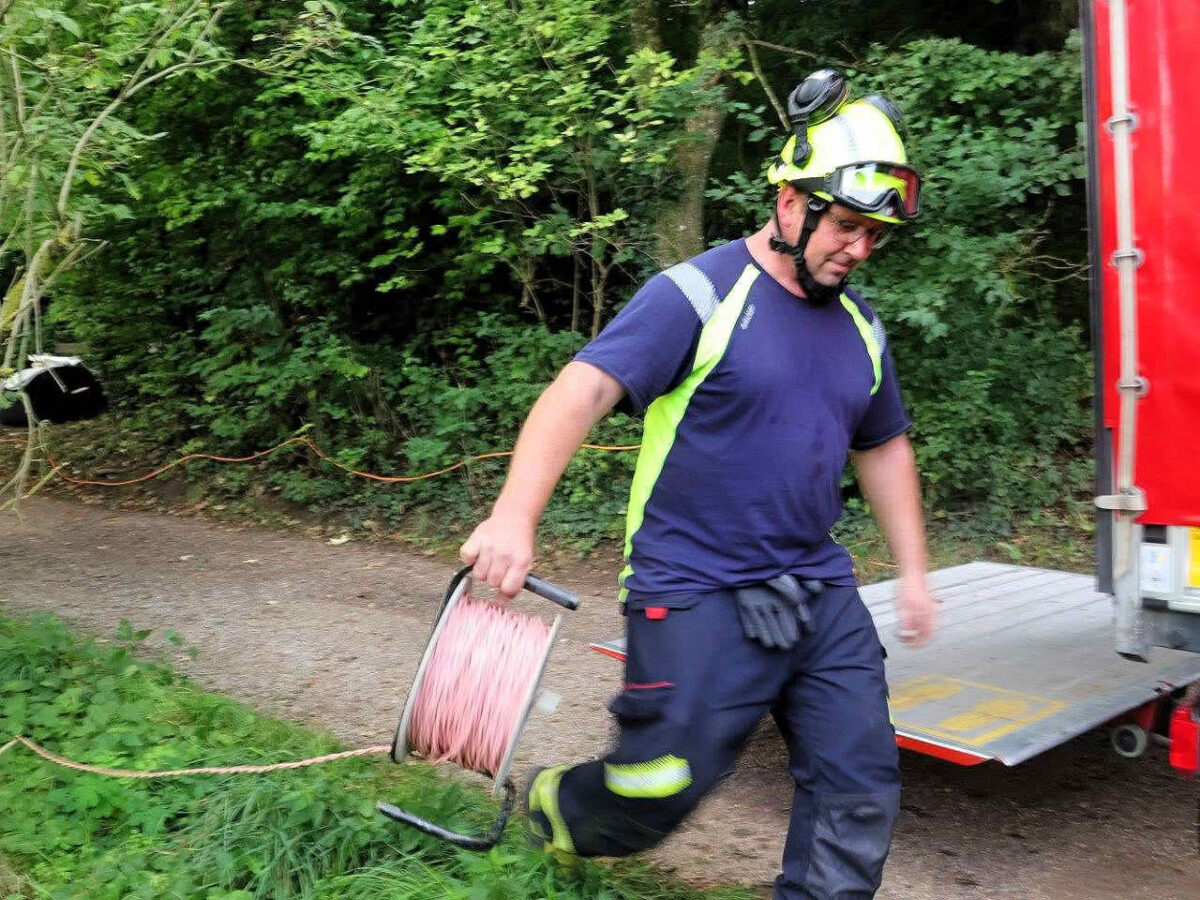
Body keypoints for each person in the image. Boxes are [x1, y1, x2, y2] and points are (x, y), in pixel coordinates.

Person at [460, 69, 936, 899]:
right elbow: (582, 391)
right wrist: (513, 516)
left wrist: (917, 570)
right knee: (660, 783)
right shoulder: (699, 296)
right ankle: (559, 810)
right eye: (848, 226)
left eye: (875, 236)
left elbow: (884, 445)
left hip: (815, 591)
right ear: (792, 203)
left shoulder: (862, 329)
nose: (860, 248)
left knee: (860, 781)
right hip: (693, 586)